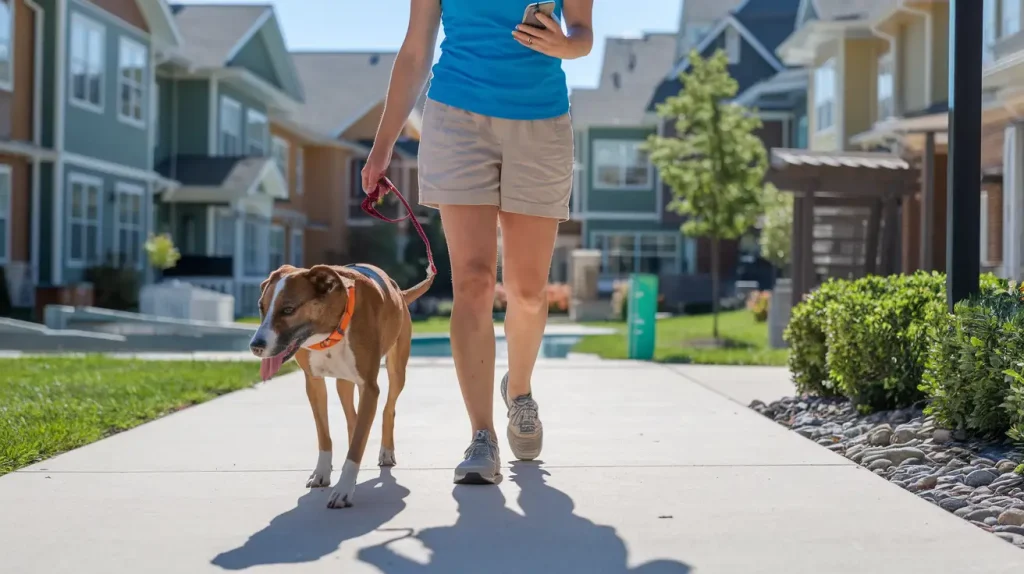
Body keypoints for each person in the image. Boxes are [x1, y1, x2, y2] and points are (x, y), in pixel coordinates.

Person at [361, 0, 594, 484]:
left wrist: (565, 45)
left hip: (541, 124)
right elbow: (415, 51)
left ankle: (520, 392)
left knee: (528, 293)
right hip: (456, 120)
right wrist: (382, 146)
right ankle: (481, 435)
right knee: (473, 281)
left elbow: (583, 33)